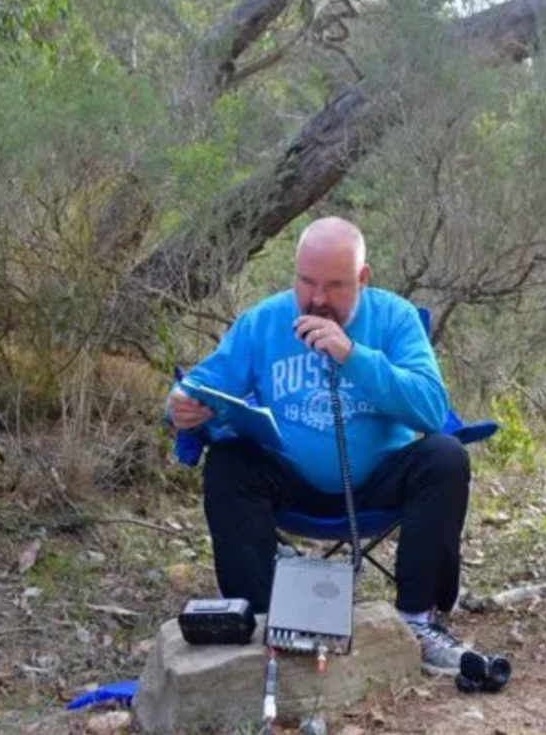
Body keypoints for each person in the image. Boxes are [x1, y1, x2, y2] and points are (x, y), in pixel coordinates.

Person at [166, 216, 473, 675]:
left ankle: (416, 623)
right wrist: (181, 405)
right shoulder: (264, 321)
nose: (317, 299)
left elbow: (431, 409)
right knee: (228, 463)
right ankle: (261, 623)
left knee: (446, 457)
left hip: (376, 482)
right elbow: (203, 382)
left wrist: (353, 356)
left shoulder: (394, 318)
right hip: (289, 480)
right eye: (307, 282)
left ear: (362, 278)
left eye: (335, 286)